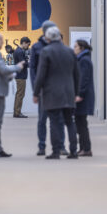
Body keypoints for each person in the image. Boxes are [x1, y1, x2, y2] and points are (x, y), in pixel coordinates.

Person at [33, 26, 79, 159]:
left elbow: (41, 75)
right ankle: (74, 151)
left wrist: (36, 93)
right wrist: (76, 92)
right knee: (69, 122)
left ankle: (56, 151)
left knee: (54, 122)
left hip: (52, 93)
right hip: (69, 92)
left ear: (47, 38)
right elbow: (77, 74)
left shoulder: (46, 51)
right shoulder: (70, 51)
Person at [30, 21, 67, 156]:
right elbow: (33, 69)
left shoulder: (59, 46)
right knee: (42, 119)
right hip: (43, 89)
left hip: (58, 88)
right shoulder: (36, 47)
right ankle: (42, 146)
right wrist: (35, 87)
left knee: (58, 119)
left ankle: (61, 146)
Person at [73, 40, 95, 157]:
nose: (74, 48)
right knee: (80, 123)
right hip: (82, 96)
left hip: (83, 98)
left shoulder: (84, 61)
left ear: (81, 48)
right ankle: (83, 148)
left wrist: (79, 94)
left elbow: (83, 80)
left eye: (75, 46)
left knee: (81, 124)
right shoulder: (83, 59)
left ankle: (86, 149)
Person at [13, 37, 31, 118]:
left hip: (19, 75)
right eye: (28, 44)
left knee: (19, 94)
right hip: (20, 76)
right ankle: (17, 112)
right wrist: (30, 63)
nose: (28, 46)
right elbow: (23, 63)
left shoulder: (18, 51)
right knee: (20, 95)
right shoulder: (20, 52)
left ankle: (17, 112)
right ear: (24, 42)